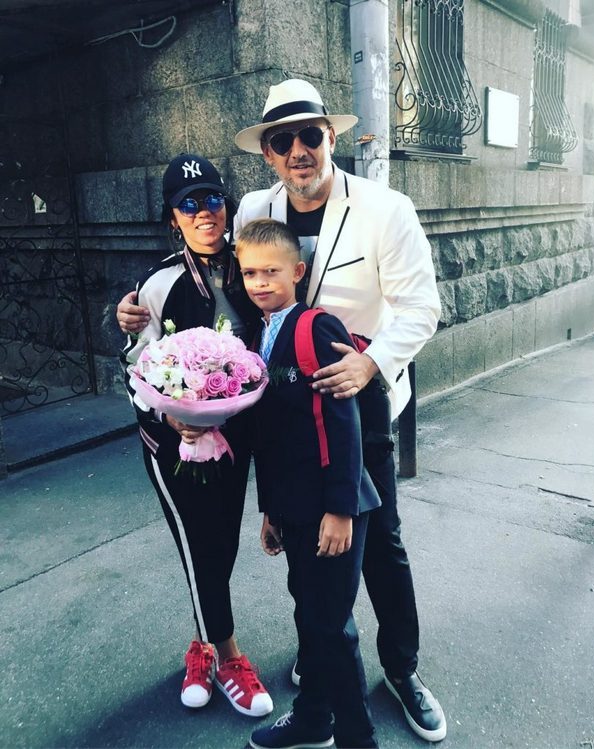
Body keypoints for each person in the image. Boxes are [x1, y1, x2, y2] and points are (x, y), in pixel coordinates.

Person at [117, 79, 446, 742]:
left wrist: (371, 364)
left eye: (309, 135)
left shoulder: (385, 209)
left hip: (357, 400)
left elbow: (422, 308)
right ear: (268, 154)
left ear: (331, 137)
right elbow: (211, 266)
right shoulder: (257, 208)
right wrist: (134, 310)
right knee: (304, 554)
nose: (298, 150)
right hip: (285, 416)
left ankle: (401, 668)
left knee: (378, 545)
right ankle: (321, 666)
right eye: (282, 140)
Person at [120, 153, 273, 718]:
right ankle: (229, 656)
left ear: (226, 206)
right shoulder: (157, 284)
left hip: (236, 440)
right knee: (199, 544)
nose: (203, 212)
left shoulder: (249, 266)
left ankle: (200, 645)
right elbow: (135, 368)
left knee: (222, 543)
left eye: (211, 199)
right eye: (189, 205)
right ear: (173, 217)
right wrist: (168, 418)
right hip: (173, 446)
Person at [237, 218, 380, 749]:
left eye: (271, 272)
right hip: (294, 507)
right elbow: (271, 437)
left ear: (297, 272)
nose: (259, 283)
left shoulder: (314, 329)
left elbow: (343, 424)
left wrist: (341, 510)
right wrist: (270, 511)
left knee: (330, 625)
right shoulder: (259, 336)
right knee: (310, 612)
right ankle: (314, 718)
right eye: (249, 273)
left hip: (332, 508)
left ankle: (358, 738)